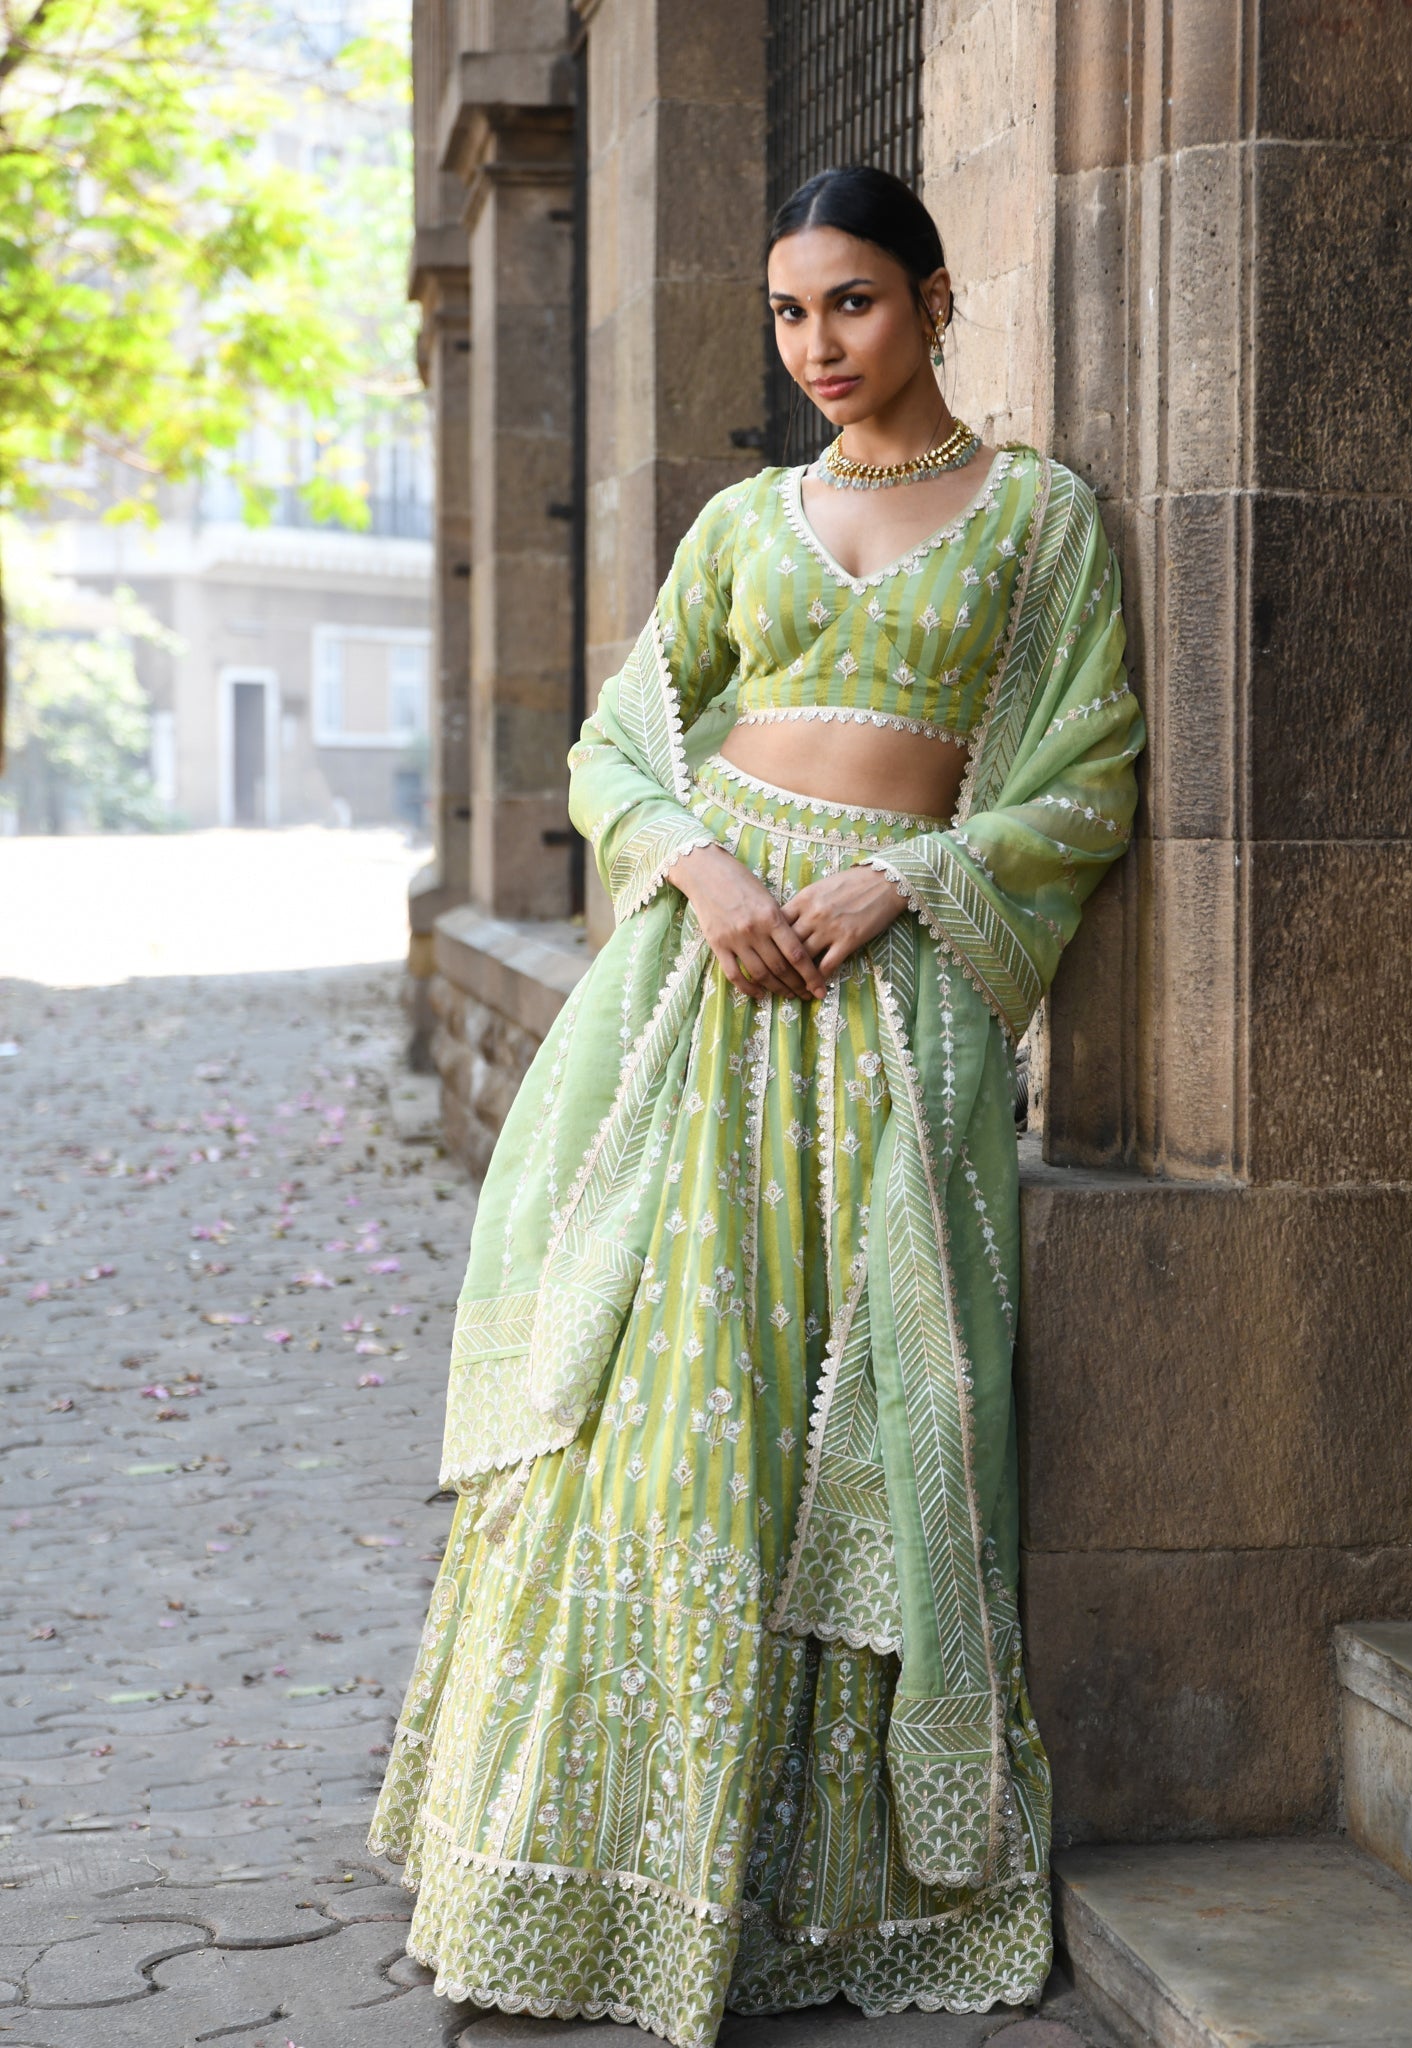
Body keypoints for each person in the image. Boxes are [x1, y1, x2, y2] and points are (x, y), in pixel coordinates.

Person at [369, 164, 1144, 2046]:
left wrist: (912, 878)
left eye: (855, 306)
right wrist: (704, 875)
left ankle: (803, 1893)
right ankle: (577, 1861)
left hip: (887, 995)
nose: (820, 348)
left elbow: (1084, 773)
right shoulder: (740, 522)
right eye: (792, 314)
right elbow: (625, 740)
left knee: (845, 1417)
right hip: (707, 986)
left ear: (937, 301)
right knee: (664, 1403)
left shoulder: (1038, 520)